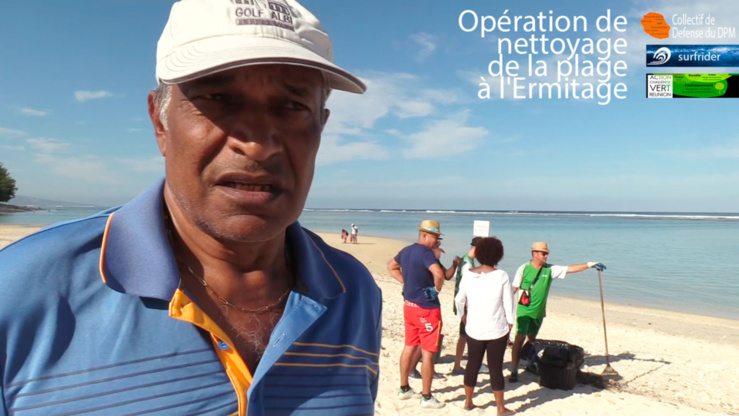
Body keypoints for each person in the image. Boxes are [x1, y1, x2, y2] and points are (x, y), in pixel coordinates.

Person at [0, 1, 382, 415]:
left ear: (320, 128)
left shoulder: (354, 292)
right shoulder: (22, 293)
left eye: (291, 107)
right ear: (160, 122)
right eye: (219, 98)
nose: (257, 142)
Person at [387, 219, 458, 409]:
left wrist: (406, 283)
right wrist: (437, 289)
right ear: (424, 235)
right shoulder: (426, 253)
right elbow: (439, 273)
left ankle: (404, 388)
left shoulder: (406, 250)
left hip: (409, 306)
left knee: (409, 345)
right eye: (435, 237)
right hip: (427, 309)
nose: (437, 241)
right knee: (428, 352)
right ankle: (426, 396)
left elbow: (391, 267)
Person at [509, 241, 605, 382]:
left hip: (539, 312)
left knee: (533, 341)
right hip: (524, 311)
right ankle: (514, 370)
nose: (546, 256)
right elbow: (514, 288)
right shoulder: (523, 268)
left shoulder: (550, 269)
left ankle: (530, 364)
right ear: (535, 254)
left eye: (547, 253)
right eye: (544, 253)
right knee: (519, 339)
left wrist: (589, 265)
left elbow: (570, 269)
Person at [455, 237, 515, 414]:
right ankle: (500, 408)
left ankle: (468, 401)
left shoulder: (468, 274)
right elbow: (509, 303)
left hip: (473, 328)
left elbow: (459, 299)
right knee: (495, 367)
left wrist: (462, 317)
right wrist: (511, 322)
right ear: (498, 255)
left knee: (473, 363)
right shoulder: (501, 276)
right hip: (497, 329)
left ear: (479, 254)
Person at [451, 236, 482, 375]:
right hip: (466, 305)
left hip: (463, 304)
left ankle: (464, 363)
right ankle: (460, 365)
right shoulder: (468, 265)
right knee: (466, 336)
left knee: (465, 336)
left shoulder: (465, 259)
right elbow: (466, 286)